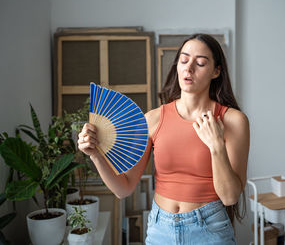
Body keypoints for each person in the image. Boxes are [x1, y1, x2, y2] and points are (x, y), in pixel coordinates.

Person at [78, 33, 250, 245]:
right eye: (184, 60)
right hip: (161, 230)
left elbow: (230, 197)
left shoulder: (233, 121)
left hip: (210, 230)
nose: (189, 68)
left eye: (201, 63)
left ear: (216, 71)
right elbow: (123, 188)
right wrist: (95, 154)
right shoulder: (153, 119)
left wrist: (216, 146)